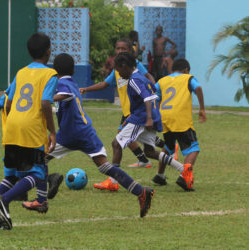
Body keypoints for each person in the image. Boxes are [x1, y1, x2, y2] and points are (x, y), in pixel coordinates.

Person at [23, 53, 154, 218]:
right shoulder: (70, 81)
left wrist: (46, 99)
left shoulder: (61, 83)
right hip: (85, 132)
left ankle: (43, 197)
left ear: (54, 70)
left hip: (70, 134)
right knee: (105, 167)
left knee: (39, 160)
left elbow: (65, 96)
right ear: (73, 70)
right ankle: (141, 191)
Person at [0, 32, 58, 231]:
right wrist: (52, 131)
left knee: (11, 175)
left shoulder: (21, 72)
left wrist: (11, 121)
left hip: (12, 125)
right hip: (31, 128)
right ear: (49, 51)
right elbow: (45, 103)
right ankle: (4, 200)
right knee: (38, 172)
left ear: (28, 51)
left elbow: (8, 102)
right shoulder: (50, 74)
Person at [80, 38, 163, 192]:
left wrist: (155, 94)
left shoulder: (134, 66)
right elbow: (105, 84)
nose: (120, 51)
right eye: (118, 49)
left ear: (130, 51)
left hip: (138, 112)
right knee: (127, 138)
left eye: (123, 49)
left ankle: (115, 179)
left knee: (119, 140)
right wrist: (86, 89)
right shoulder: (118, 69)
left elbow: (149, 78)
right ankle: (156, 152)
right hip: (129, 112)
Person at [0, 90, 64, 229]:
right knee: (37, 172)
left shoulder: (7, 96)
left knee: (12, 176)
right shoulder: (30, 94)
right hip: (25, 137)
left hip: (9, 139)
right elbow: (43, 105)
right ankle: (33, 199)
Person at [113, 52, 194, 192]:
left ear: (124, 66)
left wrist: (149, 118)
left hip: (143, 118)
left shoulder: (134, 79)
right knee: (150, 152)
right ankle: (183, 169)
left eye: (118, 70)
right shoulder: (142, 77)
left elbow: (147, 98)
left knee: (116, 143)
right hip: (151, 117)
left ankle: (112, 181)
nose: (118, 74)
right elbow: (153, 92)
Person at [152, 59, 206, 191]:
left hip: (165, 118)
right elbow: (198, 87)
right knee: (194, 148)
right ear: (186, 70)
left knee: (168, 147)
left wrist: (155, 115)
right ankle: (184, 177)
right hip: (181, 118)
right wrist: (202, 109)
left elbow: (154, 96)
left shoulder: (162, 80)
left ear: (172, 70)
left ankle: (160, 175)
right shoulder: (188, 78)